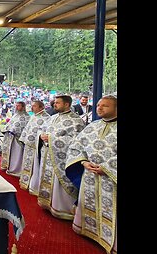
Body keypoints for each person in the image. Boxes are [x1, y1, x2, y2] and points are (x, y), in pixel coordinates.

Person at [65, 95, 117, 254]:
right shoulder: (92, 126)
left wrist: (107, 168)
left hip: (111, 178)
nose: (99, 108)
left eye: (105, 106)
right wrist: (83, 162)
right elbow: (76, 146)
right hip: (89, 175)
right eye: (99, 105)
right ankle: (90, 230)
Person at [36, 95, 85, 220]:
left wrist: (51, 139)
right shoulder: (53, 118)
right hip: (48, 153)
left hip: (62, 158)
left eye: (58, 103)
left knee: (59, 182)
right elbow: (43, 130)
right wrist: (41, 136)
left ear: (67, 104)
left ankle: (62, 208)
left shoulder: (76, 121)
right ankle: (49, 203)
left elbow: (77, 141)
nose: (54, 105)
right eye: (55, 103)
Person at [18, 100, 50, 194]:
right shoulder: (34, 116)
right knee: (27, 163)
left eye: (35, 106)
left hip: (37, 147)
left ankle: (34, 185)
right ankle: (25, 181)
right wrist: (23, 139)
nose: (32, 108)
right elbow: (27, 128)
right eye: (32, 106)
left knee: (35, 166)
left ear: (41, 107)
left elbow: (44, 132)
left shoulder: (47, 118)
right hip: (29, 145)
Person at [0, 101, 30, 177]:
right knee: (10, 154)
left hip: (17, 139)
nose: (16, 107)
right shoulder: (15, 115)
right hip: (10, 138)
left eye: (18, 106)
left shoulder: (27, 117)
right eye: (16, 106)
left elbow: (23, 127)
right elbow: (10, 124)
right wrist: (7, 129)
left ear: (23, 107)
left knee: (16, 155)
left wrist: (13, 131)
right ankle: (8, 166)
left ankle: (16, 169)